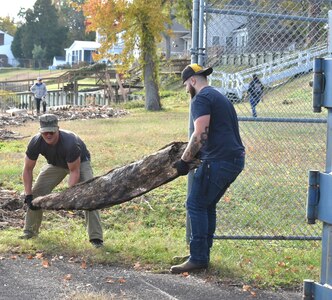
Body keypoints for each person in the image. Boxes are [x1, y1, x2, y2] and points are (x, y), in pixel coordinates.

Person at [171, 64, 245, 273]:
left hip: (218, 161)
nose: (187, 89)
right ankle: (201, 253)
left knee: (195, 204)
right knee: (206, 205)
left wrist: (185, 161)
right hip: (233, 160)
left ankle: (199, 258)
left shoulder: (201, 99)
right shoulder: (218, 96)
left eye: (186, 85)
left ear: (193, 81)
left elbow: (200, 133)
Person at [21, 114, 104, 248]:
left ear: (57, 129)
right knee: (36, 193)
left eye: (52, 132)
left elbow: (74, 171)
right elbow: (27, 169)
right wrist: (28, 194)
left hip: (79, 164)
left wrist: (68, 196)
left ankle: (96, 238)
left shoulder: (70, 143)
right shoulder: (36, 142)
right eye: (45, 132)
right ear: (40, 131)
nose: (48, 135)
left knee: (90, 196)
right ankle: (30, 231)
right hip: (55, 164)